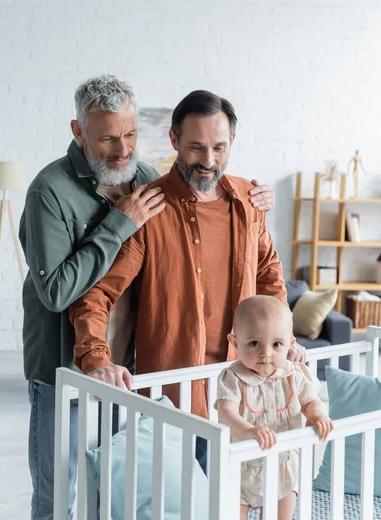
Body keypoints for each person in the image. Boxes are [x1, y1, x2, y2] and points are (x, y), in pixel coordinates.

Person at [20, 76, 275, 520]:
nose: (123, 149)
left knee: (115, 487)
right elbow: (72, 293)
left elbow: (267, 269)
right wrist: (95, 355)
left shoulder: (150, 181)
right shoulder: (57, 193)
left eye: (131, 135)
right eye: (108, 138)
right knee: (59, 492)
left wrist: (281, 337)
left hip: (146, 374)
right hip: (67, 368)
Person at [69, 89, 305, 425]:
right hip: (173, 398)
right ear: (174, 140)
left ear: (232, 141)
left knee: (243, 479)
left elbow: (269, 276)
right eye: (196, 147)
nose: (208, 161)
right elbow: (98, 292)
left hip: (246, 390)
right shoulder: (148, 210)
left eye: (219, 147)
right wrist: (96, 358)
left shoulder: (250, 203)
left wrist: (286, 339)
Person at [216, 295, 333, 520]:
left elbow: (311, 401)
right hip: (241, 469)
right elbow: (226, 413)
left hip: (284, 468)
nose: (266, 353)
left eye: (276, 344)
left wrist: (317, 414)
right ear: (234, 342)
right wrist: (250, 431)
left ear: (290, 344)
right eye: (254, 343)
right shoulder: (232, 378)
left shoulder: (295, 375)